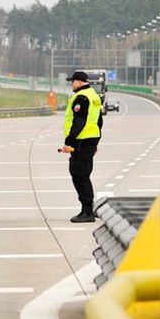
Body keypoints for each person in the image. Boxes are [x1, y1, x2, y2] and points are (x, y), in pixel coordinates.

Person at [60, 71, 103, 223]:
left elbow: (79, 122)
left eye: (72, 82)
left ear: (79, 82)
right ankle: (88, 208)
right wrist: (96, 142)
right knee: (83, 174)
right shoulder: (94, 95)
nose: (71, 84)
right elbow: (98, 121)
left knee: (80, 175)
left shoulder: (81, 98)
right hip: (90, 140)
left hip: (81, 141)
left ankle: (87, 211)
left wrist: (68, 142)